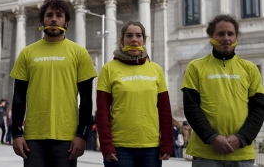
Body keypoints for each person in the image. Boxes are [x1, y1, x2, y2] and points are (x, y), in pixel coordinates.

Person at [10, 0, 97, 167]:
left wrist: (82, 135)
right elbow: (18, 97)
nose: (54, 19)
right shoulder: (27, 53)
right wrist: (16, 134)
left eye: (59, 15)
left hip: (67, 137)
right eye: (49, 15)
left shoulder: (79, 53)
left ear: (66, 23)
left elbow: (86, 100)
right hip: (34, 137)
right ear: (42, 21)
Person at [181, 14, 264, 167]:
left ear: (236, 37)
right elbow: (191, 108)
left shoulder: (251, 69)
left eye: (230, 34)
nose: (226, 38)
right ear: (211, 36)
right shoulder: (195, 67)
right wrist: (212, 137)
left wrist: (242, 138)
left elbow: (258, 109)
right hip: (205, 154)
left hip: (241, 153)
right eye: (220, 34)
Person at [96, 20, 173, 167]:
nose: (134, 39)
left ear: (144, 40)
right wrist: (106, 145)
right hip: (119, 148)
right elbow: (102, 110)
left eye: (138, 35)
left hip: (151, 147)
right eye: (129, 35)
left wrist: (167, 143)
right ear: (122, 40)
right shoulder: (108, 69)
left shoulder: (156, 69)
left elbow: (164, 109)